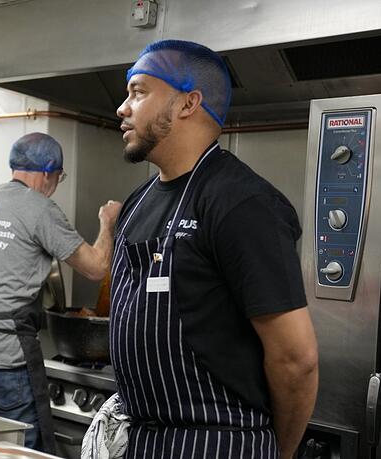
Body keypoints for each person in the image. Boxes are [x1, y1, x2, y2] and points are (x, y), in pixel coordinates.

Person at [91, 39, 318, 458]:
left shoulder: (241, 204)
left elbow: (295, 359)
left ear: (188, 103)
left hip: (218, 442)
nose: (123, 108)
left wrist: (277, 453)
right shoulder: (138, 203)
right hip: (142, 440)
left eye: (138, 92)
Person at [0, 132, 121, 453]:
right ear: (48, 173)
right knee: (22, 451)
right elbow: (96, 268)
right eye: (59, 176)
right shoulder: (41, 208)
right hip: (7, 360)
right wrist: (107, 222)